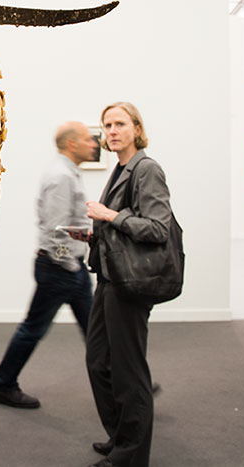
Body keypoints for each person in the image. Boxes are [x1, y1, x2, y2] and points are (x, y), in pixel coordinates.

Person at [84, 103, 170, 467]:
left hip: (130, 283)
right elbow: (122, 227)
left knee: (128, 372)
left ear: (137, 128)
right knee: (98, 362)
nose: (112, 131)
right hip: (111, 278)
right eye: (107, 125)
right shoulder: (122, 168)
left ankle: (130, 455)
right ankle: (120, 437)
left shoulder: (146, 169)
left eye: (120, 124)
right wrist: (93, 233)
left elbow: (158, 227)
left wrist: (109, 215)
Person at [0, 122, 96, 409]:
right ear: (72, 144)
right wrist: (67, 263)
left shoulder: (68, 173)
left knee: (96, 330)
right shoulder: (61, 176)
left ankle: (128, 382)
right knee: (33, 329)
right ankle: (3, 384)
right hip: (60, 269)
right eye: (88, 139)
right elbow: (55, 230)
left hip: (69, 268)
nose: (94, 144)